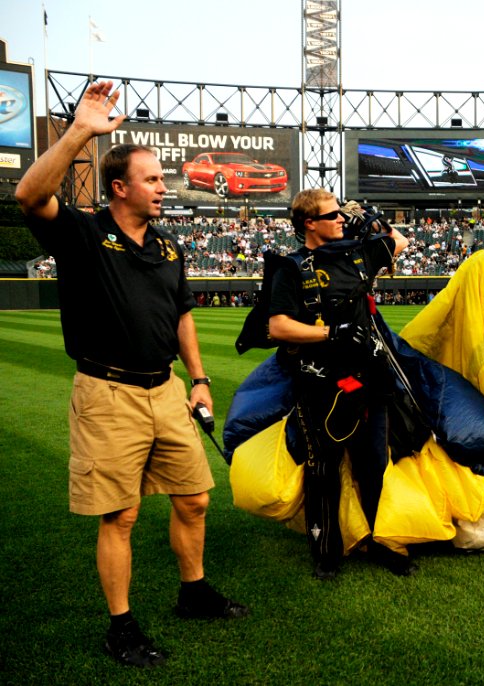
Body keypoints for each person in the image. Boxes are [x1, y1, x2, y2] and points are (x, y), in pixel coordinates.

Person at [14, 81, 248, 669]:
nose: (164, 187)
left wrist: (198, 379)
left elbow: (183, 314)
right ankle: (121, 627)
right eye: (153, 180)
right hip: (107, 390)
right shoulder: (85, 233)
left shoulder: (169, 246)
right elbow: (28, 194)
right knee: (121, 514)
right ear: (120, 188)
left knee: (194, 498)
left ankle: (192, 593)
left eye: (162, 180)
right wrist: (79, 131)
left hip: (165, 389)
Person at [266, 190, 412, 580]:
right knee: (324, 468)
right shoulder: (292, 268)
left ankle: (382, 540)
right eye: (333, 215)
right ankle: (326, 551)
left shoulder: (358, 252)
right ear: (308, 223)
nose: (342, 220)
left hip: (370, 375)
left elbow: (400, 242)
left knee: (375, 465)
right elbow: (277, 326)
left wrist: (375, 224)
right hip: (320, 379)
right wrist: (334, 332)